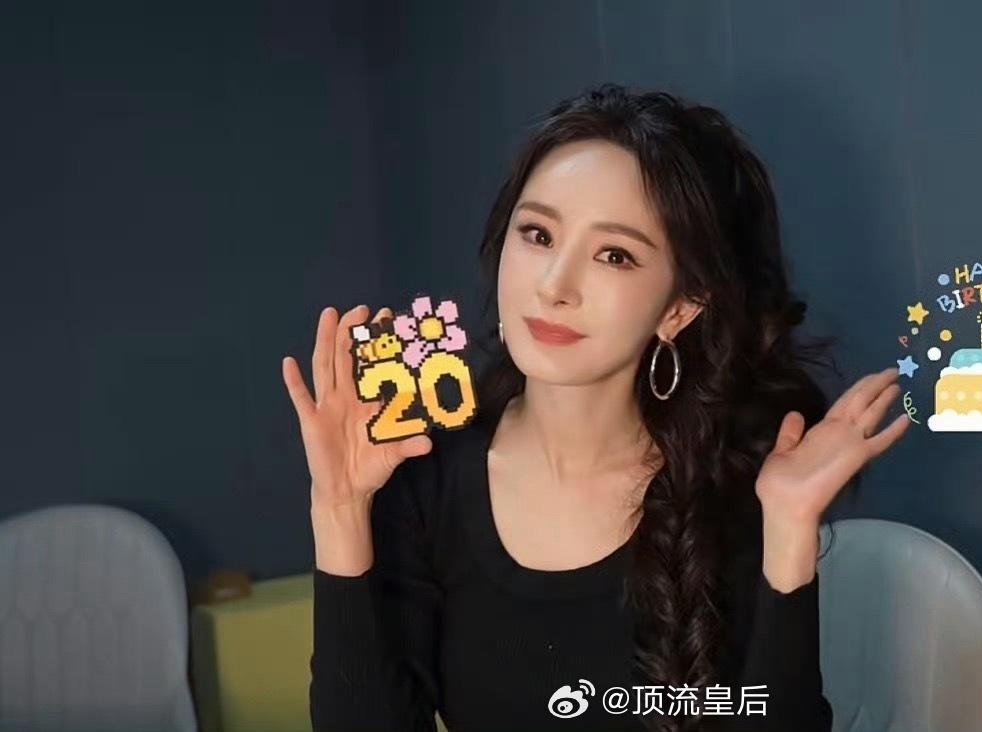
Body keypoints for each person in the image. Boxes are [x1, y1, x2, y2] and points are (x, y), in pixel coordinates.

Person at [281, 84, 909, 732]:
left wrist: (789, 529)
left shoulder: (733, 485)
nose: (554, 286)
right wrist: (340, 508)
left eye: (614, 255)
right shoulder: (421, 477)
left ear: (680, 307)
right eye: (537, 234)